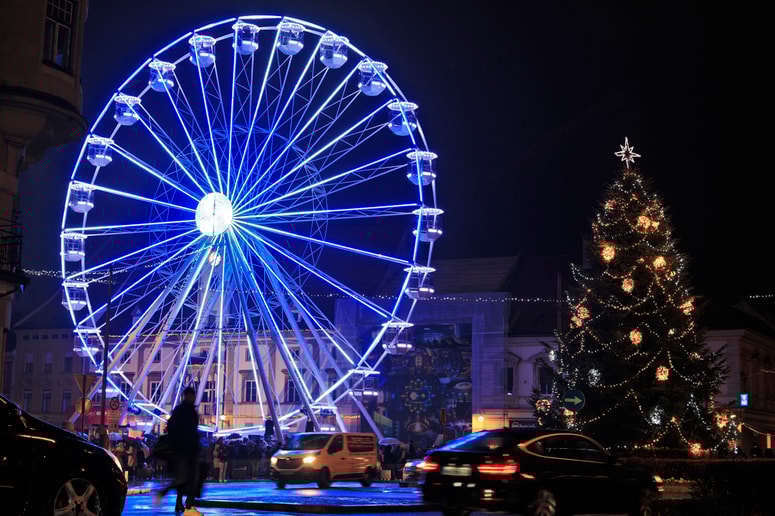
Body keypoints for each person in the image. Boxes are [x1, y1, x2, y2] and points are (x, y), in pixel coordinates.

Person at [155, 387, 202, 515]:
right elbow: (179, 428)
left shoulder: (188, 411)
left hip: (188, 449)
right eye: (191, 396)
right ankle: (183, 503)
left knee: (188, 478)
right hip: (184, 449)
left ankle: (182, 503)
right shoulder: (184, 411)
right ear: (186, 396)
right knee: (185, 478)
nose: (192, 398)